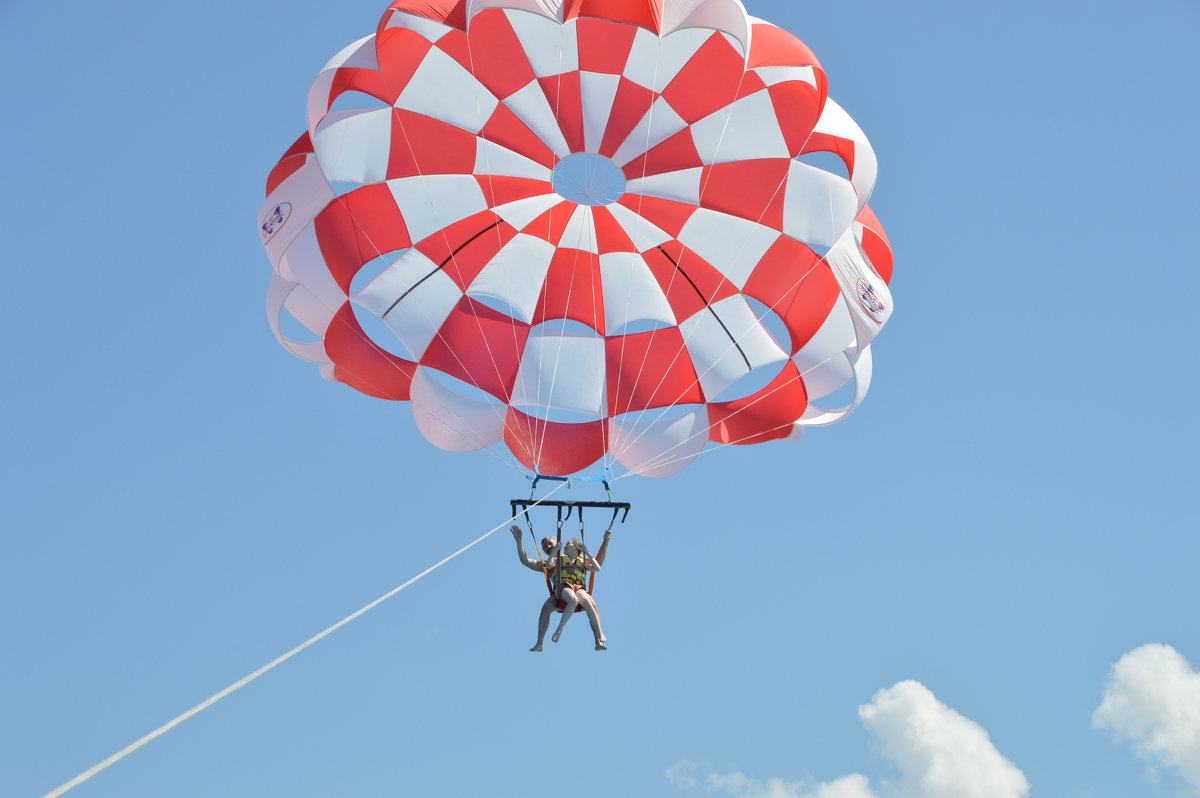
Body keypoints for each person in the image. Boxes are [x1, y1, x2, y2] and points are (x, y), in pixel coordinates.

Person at [511, 525, 611, 652]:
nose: (547, 547)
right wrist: (519, 540)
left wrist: (605, 541)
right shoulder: (550, 563)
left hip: (579, 590)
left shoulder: (577, 559)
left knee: (592, 603)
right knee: (546, 608)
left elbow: (597, 563)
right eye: (545, 547)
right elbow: (525, 561)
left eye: (549, 544)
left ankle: (598, 640)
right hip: (561, 592)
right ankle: (539, 643)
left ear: (557, 543)